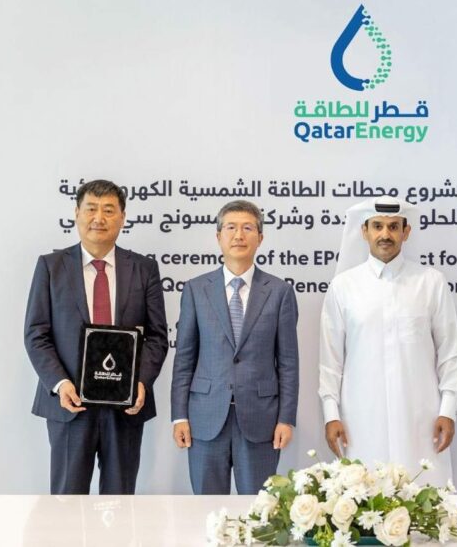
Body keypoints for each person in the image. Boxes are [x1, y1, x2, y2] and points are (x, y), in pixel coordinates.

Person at [24, 179, 168, 494]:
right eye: (91, 209)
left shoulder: (143, 269)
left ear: (123, 217)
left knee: (120, 499)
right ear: (77, 213)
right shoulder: (51, 267)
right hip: (70, 406)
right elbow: (36, 334)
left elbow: (157, 336)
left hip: (126, 408)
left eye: (108, 210)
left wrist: (139, 382)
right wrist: (60, 384)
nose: (98, 218)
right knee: (67, 500)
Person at [319, 196, 457, 484]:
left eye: (393, 227)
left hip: (420, 419)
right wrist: (330, 414)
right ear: (365, 231)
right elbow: (330, 360)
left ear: (405, 233)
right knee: (363, 498)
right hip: (360, 418)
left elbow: (449, 353)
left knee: (424, 496)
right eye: (378, 226)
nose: (385, 234)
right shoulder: (344, 287)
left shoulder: (431, 282)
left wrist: (449, 410)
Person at [170, 200, 299, 494]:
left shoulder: (279, 292)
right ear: (218, 237)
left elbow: (289, 362)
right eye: (230, 227)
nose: (238, 235)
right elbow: (184, 358)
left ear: (260, 238)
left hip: (260, 420)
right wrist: (179, 415)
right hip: (205, 417)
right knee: (206, 509)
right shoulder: (195, 289)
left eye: (247, 228)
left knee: (258, 512)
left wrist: (286, 419)